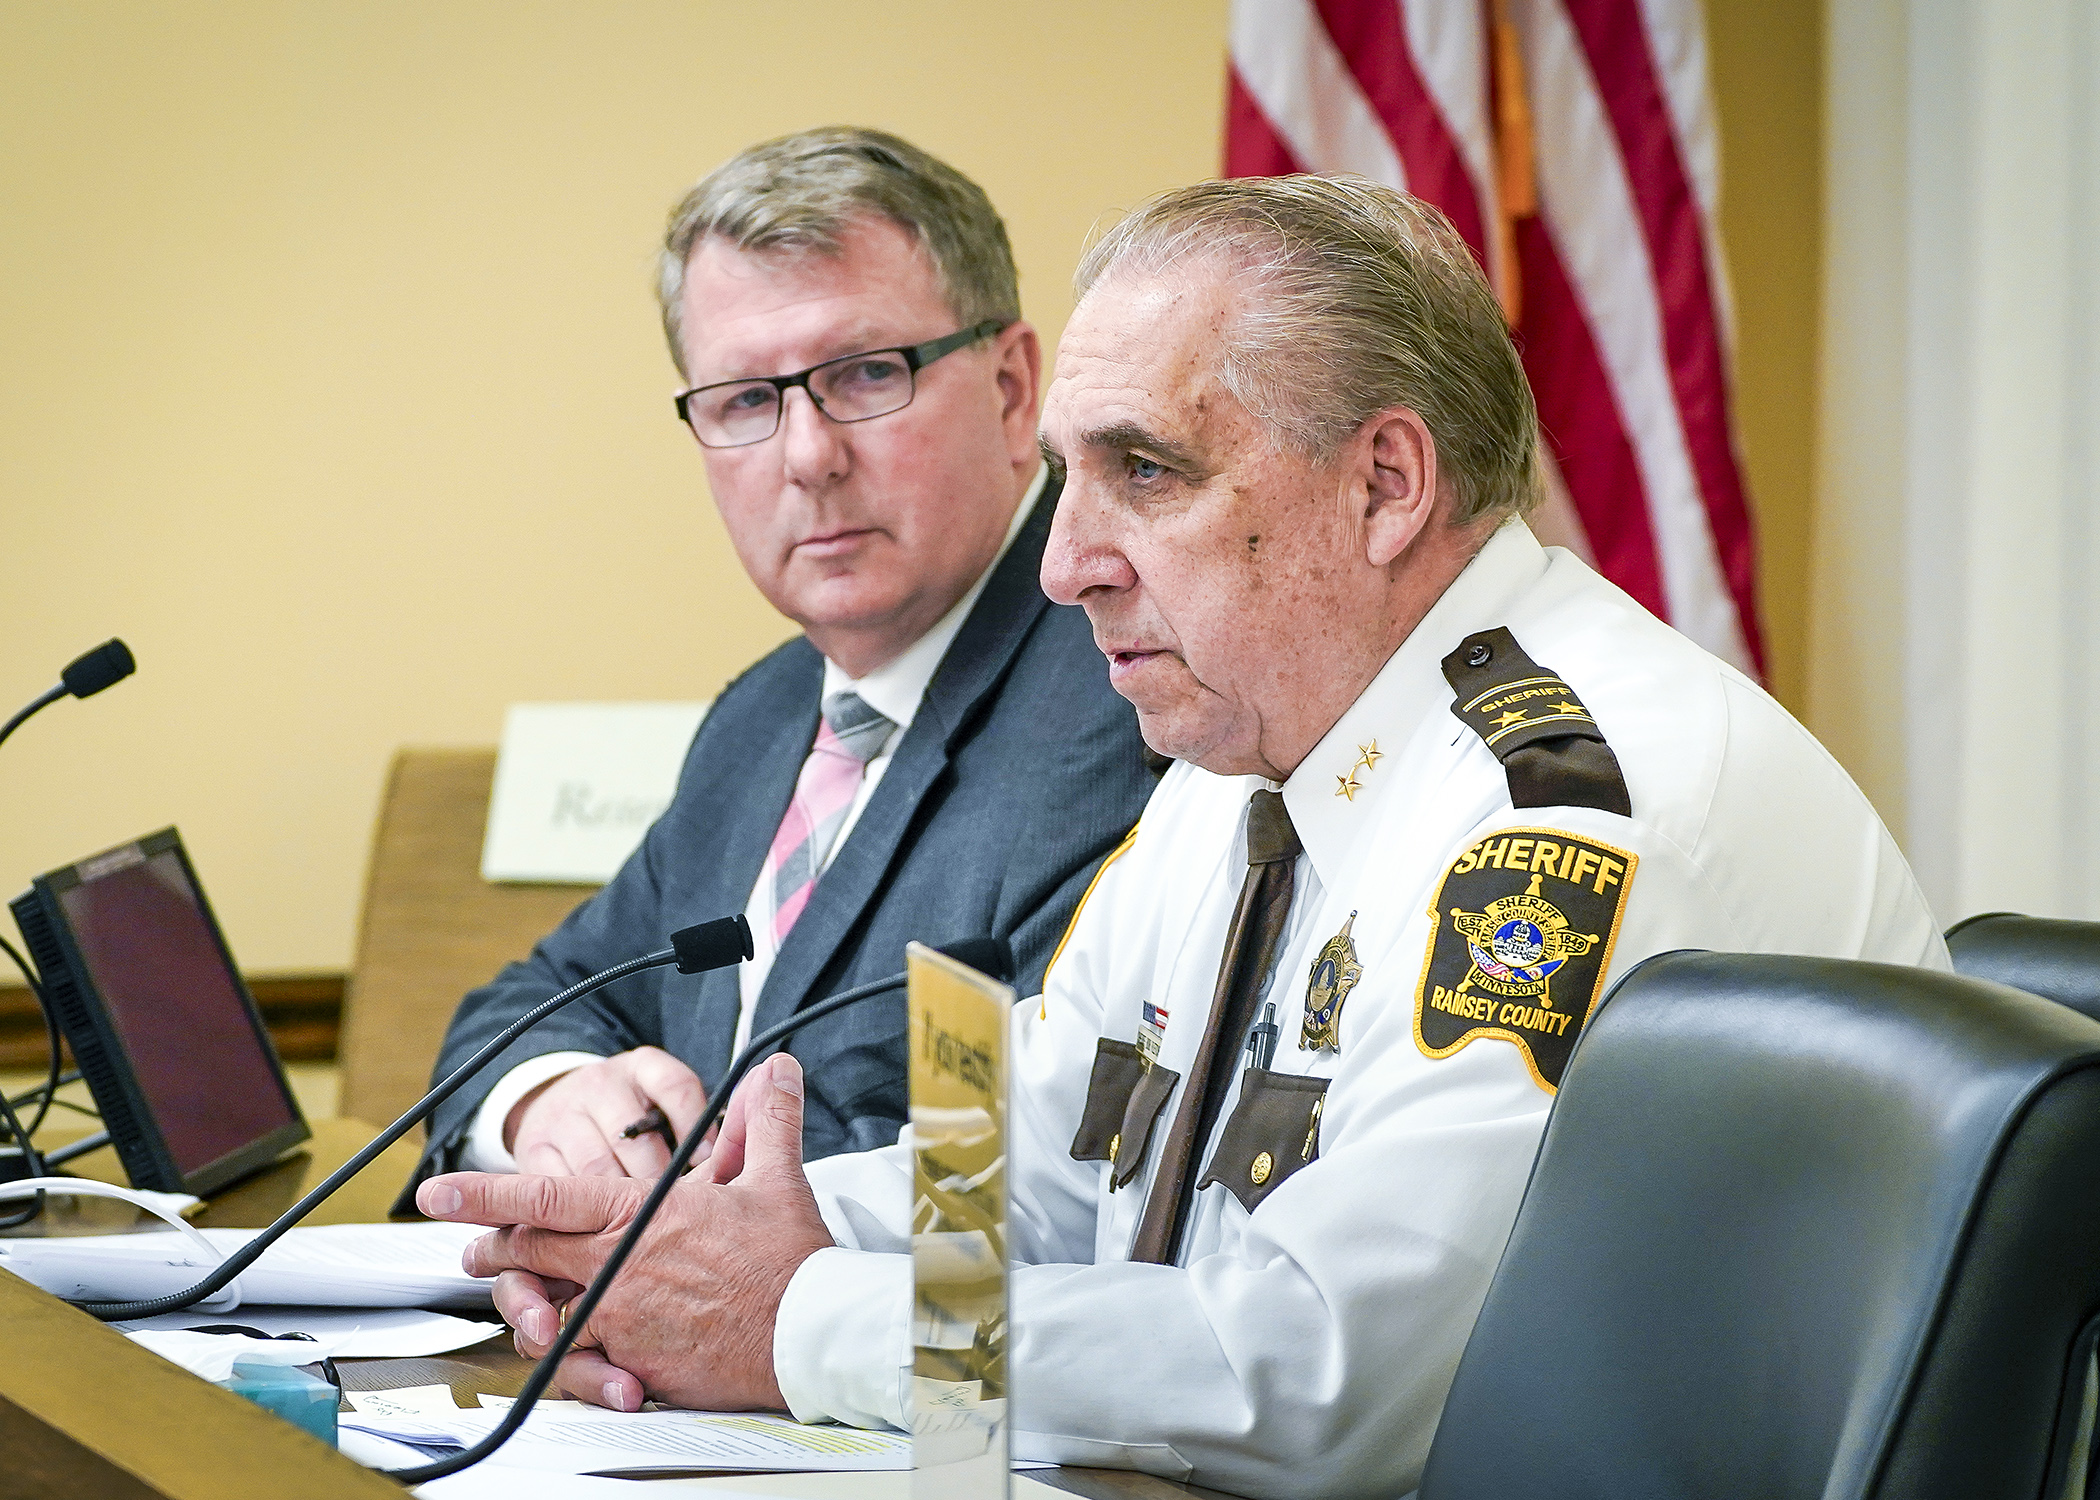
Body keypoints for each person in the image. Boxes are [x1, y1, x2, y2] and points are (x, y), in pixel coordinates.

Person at [415, 176, 1947, 1497]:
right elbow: (1016, 1175)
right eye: (1072, 476)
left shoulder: (1558, 816)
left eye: (1144, 472)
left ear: (1386, 483)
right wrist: (684, 1239)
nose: (1069, 561)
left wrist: (796, 1317)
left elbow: (1320, 1377)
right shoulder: (1245, 759)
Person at [408, 127, 1153, 1193]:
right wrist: (552, 1102)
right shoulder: (761, 716)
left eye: (863, 375)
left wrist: (633, 1206)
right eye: (747, 401)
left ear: (1009, 387)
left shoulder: (1133, 695)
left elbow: (1015, 1182)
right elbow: (535, 999)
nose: (809, 457)